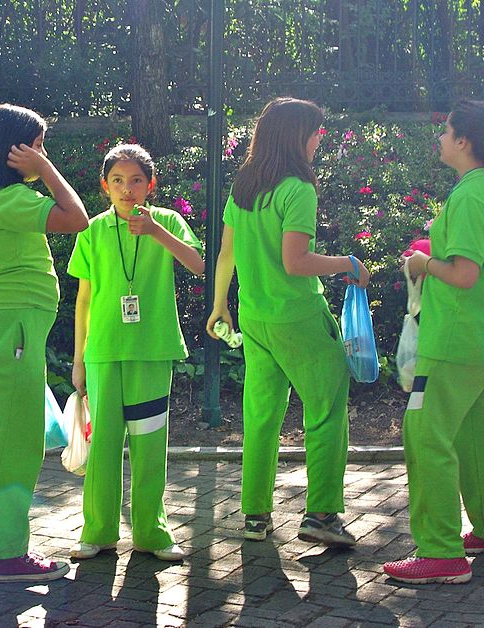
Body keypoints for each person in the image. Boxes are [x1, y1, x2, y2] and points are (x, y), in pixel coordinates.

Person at [206, 97, 369, 546]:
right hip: (299, 318)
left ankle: (255, 516)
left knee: (261, 416)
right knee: (326, 410)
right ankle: (322, 515)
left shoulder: (245, 186)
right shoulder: (299, 189)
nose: (320, 139)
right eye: (316, 132)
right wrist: (348, 263)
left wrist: (219, 305)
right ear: (299, 136)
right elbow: (296, 262)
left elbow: (226, 253)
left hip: (254, 318)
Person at [383, 100, 484, 585]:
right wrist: (442, 254)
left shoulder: (469, 195)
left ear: (464, 141)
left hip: (453, 339)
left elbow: (464, 274)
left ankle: (440, 551)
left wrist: (423, 263)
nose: (440, 138)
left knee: (425, 433)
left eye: (446, 132)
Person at [0, 104, 88, 582]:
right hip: (13, 328)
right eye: (38, 145)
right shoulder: (8, 200)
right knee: (16, 440)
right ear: (16, 150)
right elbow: (77, 218)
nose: (42, 153)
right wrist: (46, 170)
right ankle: (8, 554)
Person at [68, 144, 204, 562]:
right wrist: (78, 360)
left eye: (136, 181)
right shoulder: (92, 230)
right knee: (104, 445)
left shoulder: (168, 221)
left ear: (150, 184)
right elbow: (84, 299)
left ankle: (151, 532)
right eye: (118, 181)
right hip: (103, 353)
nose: (127, 189)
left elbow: (198, 264)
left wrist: (155, 232)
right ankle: (98, 531)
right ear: (105, 186)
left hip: (152, 350)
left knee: (149, 445)